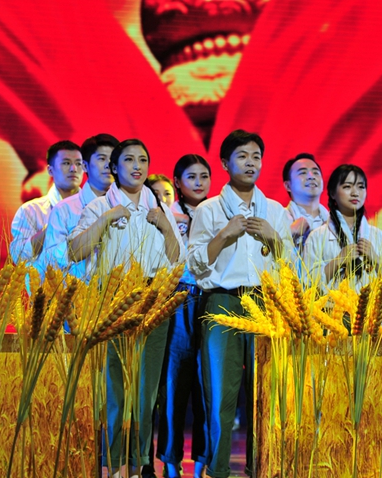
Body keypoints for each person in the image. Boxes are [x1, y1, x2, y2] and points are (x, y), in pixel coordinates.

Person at [68, 139, 185, 478]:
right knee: (115, 388)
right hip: (113, 300)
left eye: (143, 160)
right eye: (129, 160)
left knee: (145, 391)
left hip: (154, 302)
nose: (137, 166)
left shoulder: (158, 208)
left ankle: (137, 464)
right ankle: (113, 465)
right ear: (114, 168)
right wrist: (106, 219)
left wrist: (165, 227)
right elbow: (74, 252)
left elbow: (178, 261)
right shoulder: (99, 206)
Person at [188, 130, 292, 478]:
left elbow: (292, 267)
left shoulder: (275, 211)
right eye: (242, 156)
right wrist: (224, 235)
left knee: (264, 392)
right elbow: (195, 266)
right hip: (222, 302)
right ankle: (217, 469)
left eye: (256, 157)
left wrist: (275, 239)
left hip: (265, 303)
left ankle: (261, 465)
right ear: (225, 163)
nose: (251, 163)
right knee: (220, 392)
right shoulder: (209, 210)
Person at [156, 154, 212, 478]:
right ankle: (170, 461)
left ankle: (203, 462)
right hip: (178, 300)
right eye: (191, 177)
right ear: (177, 182)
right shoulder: (167, 214)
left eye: (204, 176)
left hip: (212, 301)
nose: (199, 182)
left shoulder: (218, 213)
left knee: (208, 388)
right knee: (174, 386)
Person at [304, 164, 382, 293]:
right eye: (347, 186)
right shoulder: (317, 237)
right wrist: (338, 261)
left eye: (361, 187)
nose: (355, 193)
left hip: (371, 306)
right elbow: (309, 286)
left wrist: (375, 260)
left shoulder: (378, 236)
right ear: (332, 193)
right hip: (332, 306)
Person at [40, 133, 118, 280]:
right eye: (102, 159)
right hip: (76, 291)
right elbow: (50, 261)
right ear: (85, 166)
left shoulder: (128, 207)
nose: (108, 165)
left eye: (113, 159)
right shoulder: (64, 209)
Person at [9, 140, 83, 269]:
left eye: (78, 163)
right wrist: (52, 227)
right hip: (42, 281)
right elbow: (19, 257)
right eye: (66, 163)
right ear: (50, 170)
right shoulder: (30, 210)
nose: (74, 169)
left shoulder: (94, 208)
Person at [282, 153, 328, 249]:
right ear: (288, 186)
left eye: (316, 172)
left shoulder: (336, 223)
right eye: (303, 172)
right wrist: (290, 234)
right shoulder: (279, 219)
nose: (311, 176)